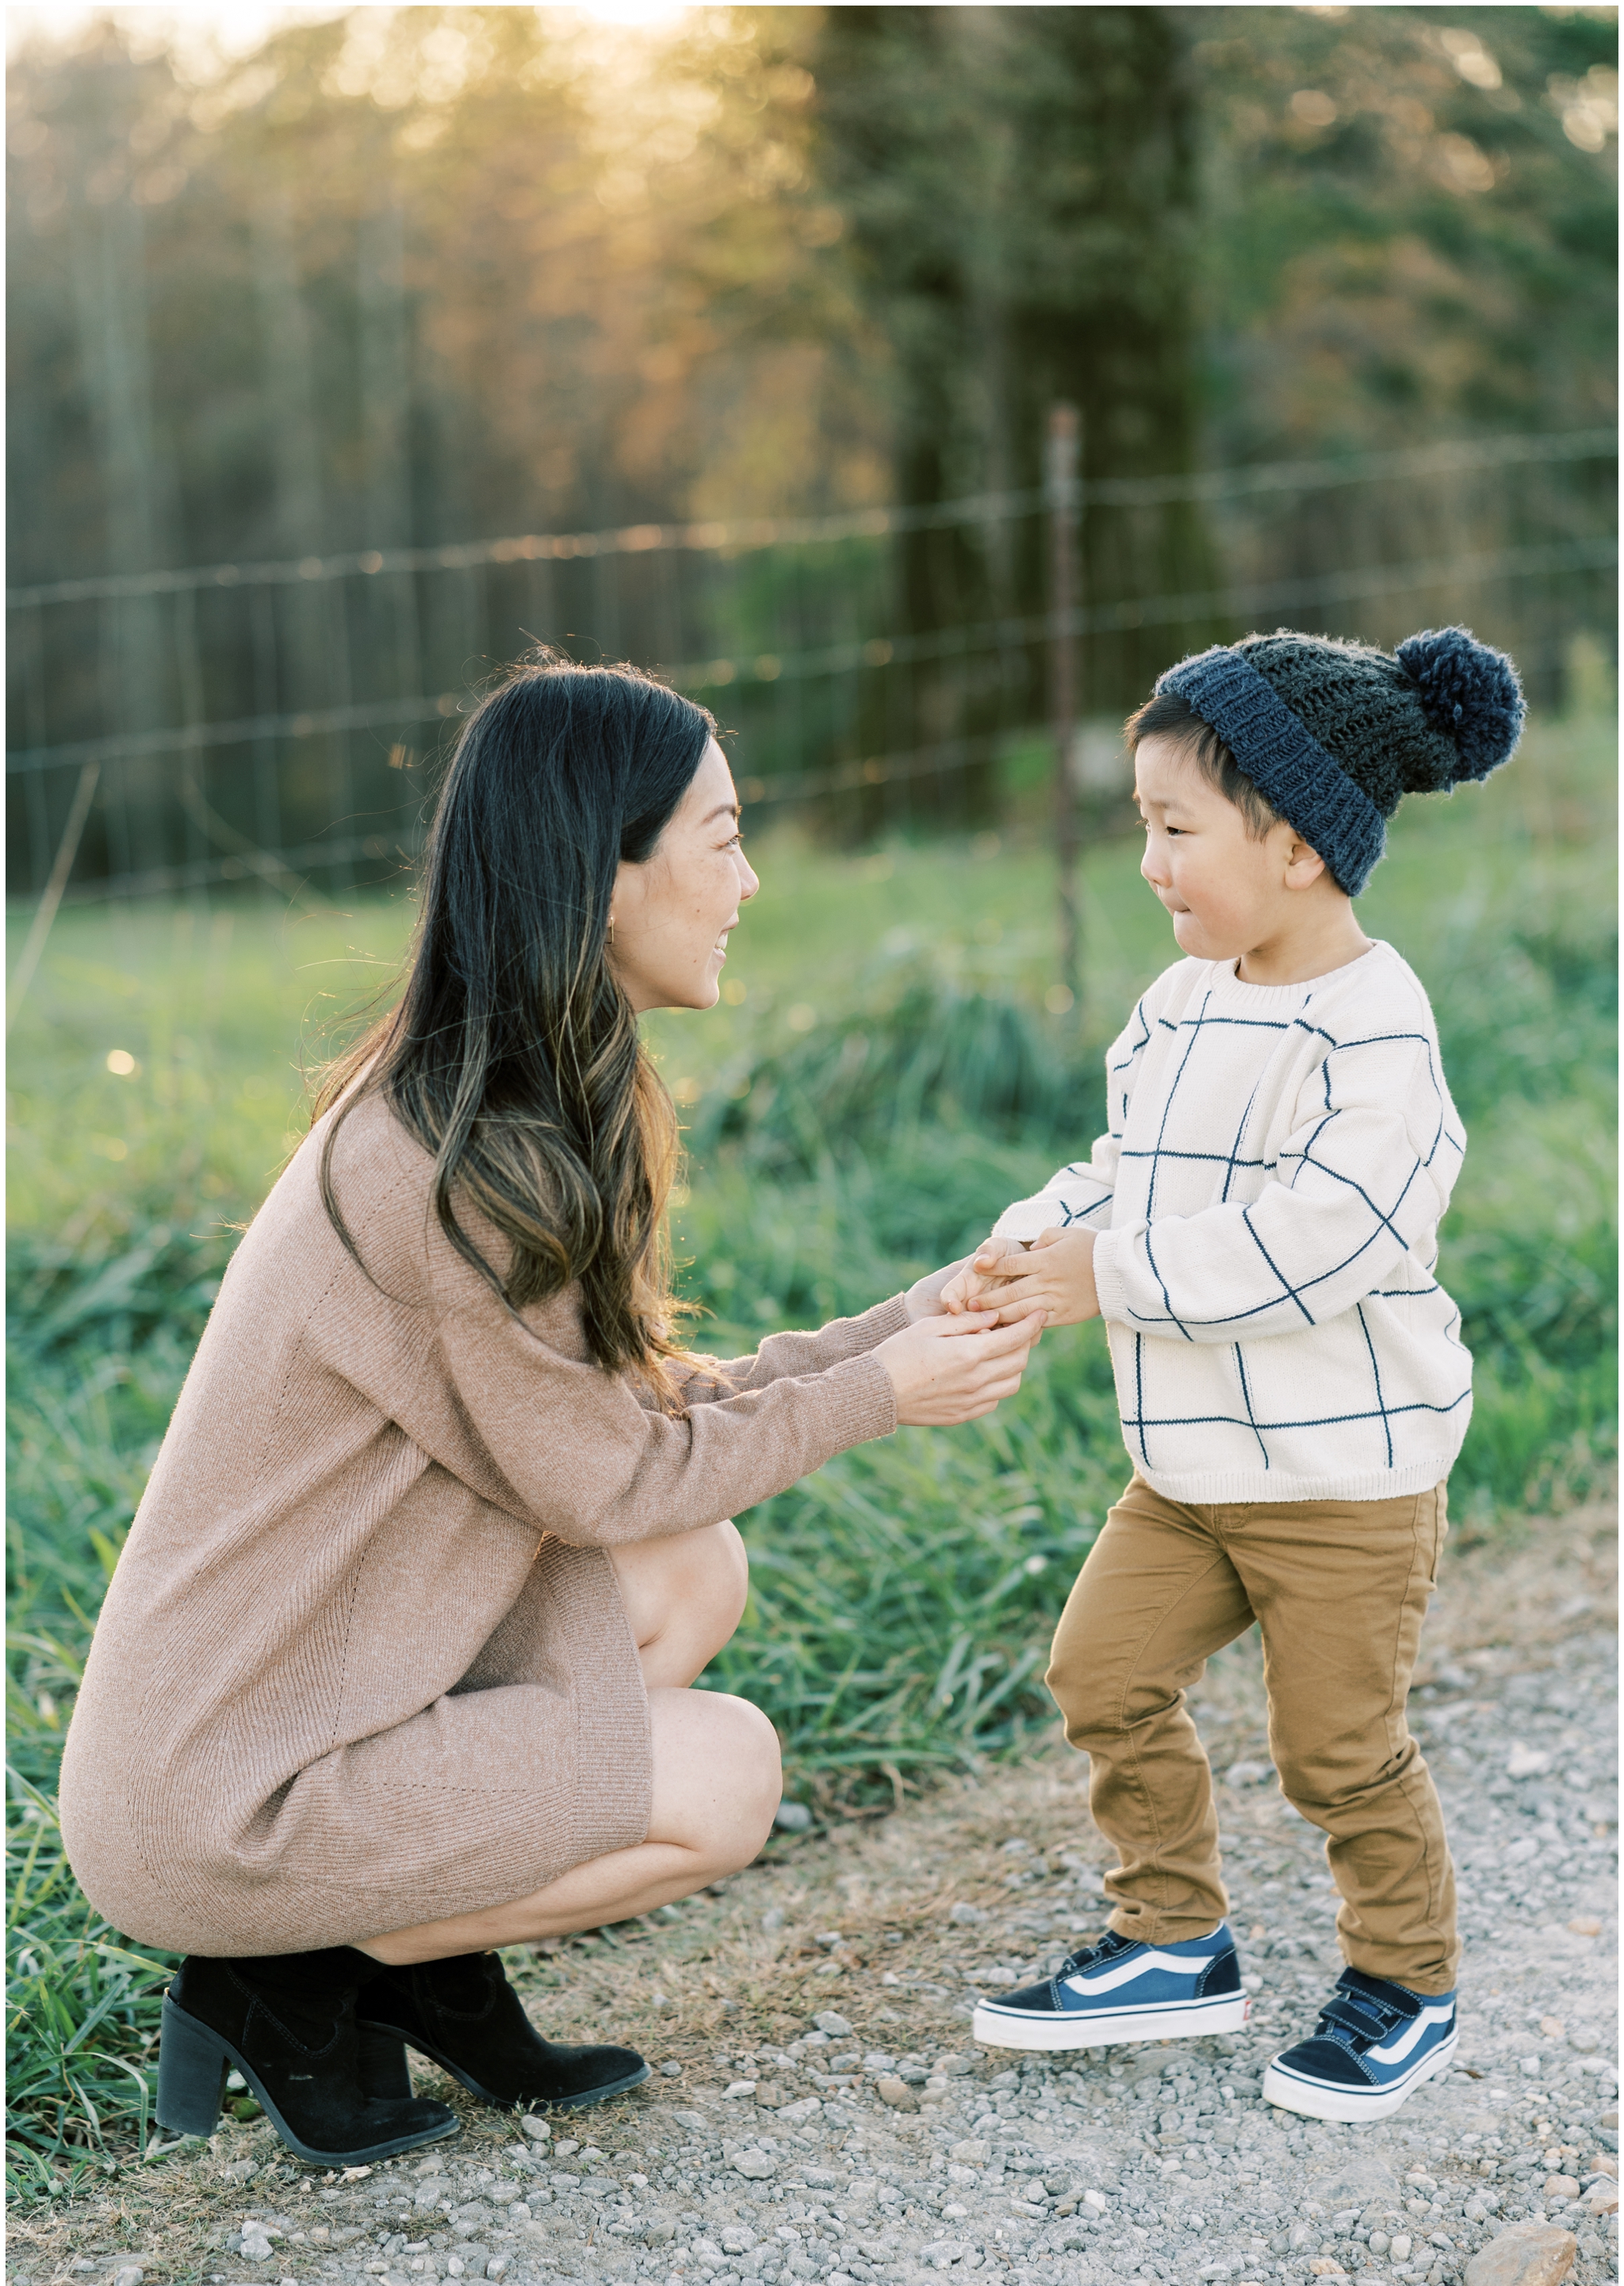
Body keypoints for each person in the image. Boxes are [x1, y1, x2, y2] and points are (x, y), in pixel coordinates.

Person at [59, 656, 1041, 2167]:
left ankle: (406, 1956)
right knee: (729, 1775)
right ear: (606, 870)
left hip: (313, 1697)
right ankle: (304, 1969)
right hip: (223, 1794)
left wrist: (900, 1325)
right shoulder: (455, 1176)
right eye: (720, 837)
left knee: (695, 1568)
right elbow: (613, 1477)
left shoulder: (496, 1102)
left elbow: (627, 1418)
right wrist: (881, 1397)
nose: (749, 877)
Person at [944, 625, 1525, 2123]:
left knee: (1336, 1750)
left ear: (1299, 844)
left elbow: (1314, 1245)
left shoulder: (1375, 1035)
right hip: (1193, 1469)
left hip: (1342, 1476)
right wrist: (1034, 1240)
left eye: (1173, 827)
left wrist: (1110, 1279)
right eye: (1141, 824)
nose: (1149, 861)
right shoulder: (1185, 1003)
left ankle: (1407, 1979)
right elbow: (1127, 1173)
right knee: (1101, 1670)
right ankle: (1173, 1937)